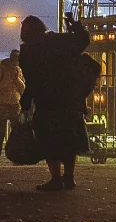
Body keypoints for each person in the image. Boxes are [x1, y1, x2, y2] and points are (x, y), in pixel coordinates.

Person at [18, 14, 101, 193]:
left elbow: (31, 78)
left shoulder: (28, 50)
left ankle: (56, 178)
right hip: (69, 97)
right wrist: (74, 25)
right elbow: (82, 40)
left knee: (48, 139)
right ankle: (69, 177)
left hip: (46, 100)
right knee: (69, 138)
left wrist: (27, 97)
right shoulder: (58, 41)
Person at [0, 42, 24, 164]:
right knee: (1, 131)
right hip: (2, 104)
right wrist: (9, 81)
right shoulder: (0, 70)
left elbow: (23, 88)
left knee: (15, 132)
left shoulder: (19, 70)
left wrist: (17, 79)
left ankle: (16, 157)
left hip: (15, 103)